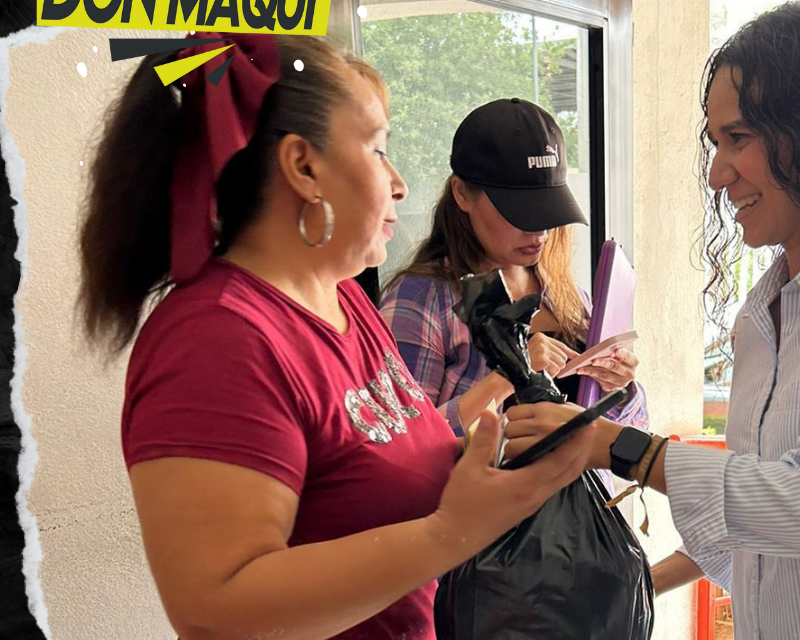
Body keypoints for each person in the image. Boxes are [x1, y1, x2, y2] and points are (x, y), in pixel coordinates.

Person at [76, 33, 591, 640]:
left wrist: (499, 460)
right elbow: (217, 610)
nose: (399, 183)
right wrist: (452, 530)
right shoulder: (216, 339)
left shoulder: (344, 296)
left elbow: (379, 474)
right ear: (303, 167)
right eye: (377, 150)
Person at [503, 2, 800, 638]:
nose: (717, 173)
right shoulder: (765, 306)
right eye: (716, 143)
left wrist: (609, 445)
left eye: (739, 139)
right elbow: (756, 529)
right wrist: (619, 589)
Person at [379, 98, 648, 441]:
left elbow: (630, 434)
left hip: (579, 493)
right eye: (518, 210)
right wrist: (509, 375)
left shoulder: (567, 297)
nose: (539, 231)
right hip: (488, 495)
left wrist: (622, 388)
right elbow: (400, 442)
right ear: (462, 194)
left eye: (548, 208)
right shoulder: (421, 299)